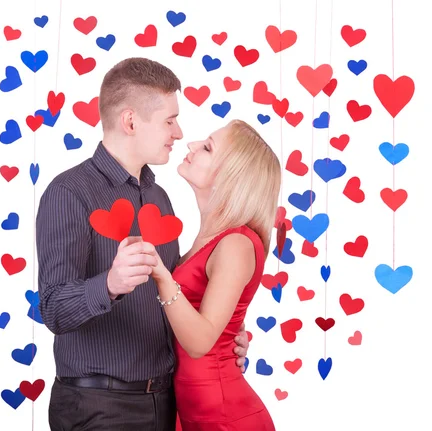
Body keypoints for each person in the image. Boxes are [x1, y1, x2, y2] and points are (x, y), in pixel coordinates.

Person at [36, 57, 250, 431]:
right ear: (131, 121)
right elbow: (52, 309)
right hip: (97, 408)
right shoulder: (68, 193)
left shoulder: (160, 198)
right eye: (169, 120)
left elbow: (175, 293)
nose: (180, 132)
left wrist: (223, 336)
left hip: (165, 404)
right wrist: (109, 284)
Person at [148, 120, 281, 430]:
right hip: (193, 413)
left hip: (226, 419)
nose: (191, 145)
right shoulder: (208, 239)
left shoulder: (235, 243)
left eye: (207, 147)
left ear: (231, 176)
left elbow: (200, 341)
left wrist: (161, 276)